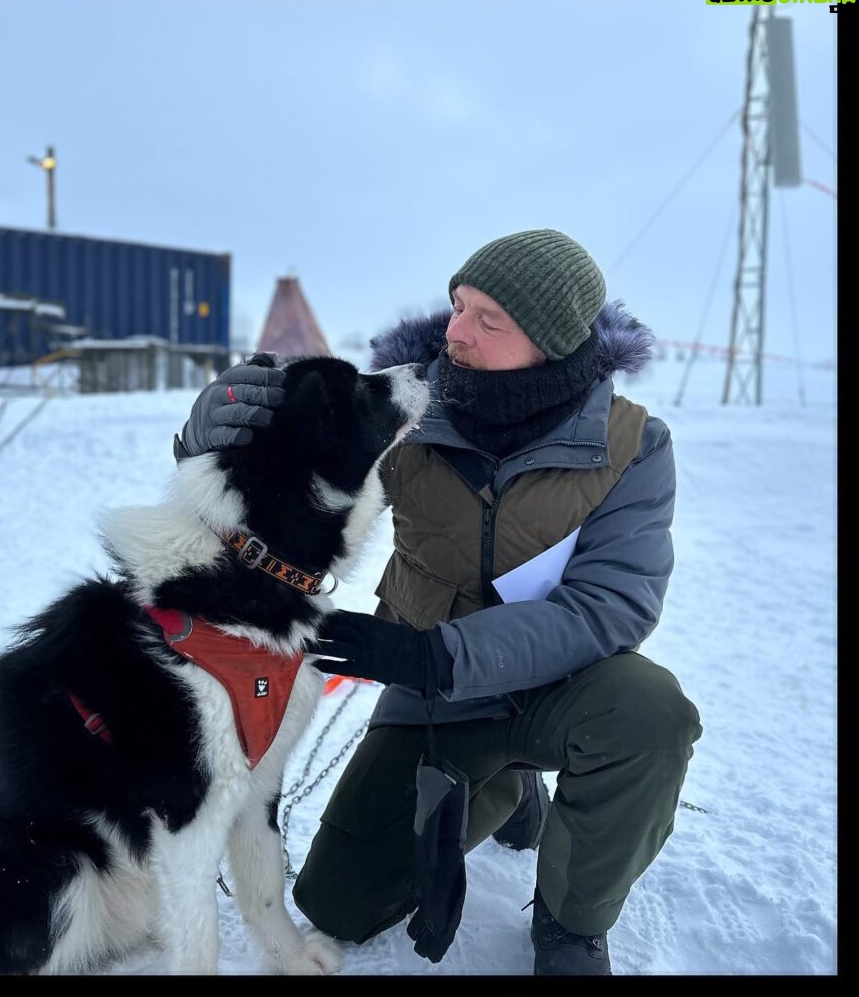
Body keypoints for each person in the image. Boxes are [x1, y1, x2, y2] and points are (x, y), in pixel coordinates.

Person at [174, 229, 703, 975]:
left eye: (491, 321)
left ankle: (572, 923)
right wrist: (208, 440)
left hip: (561, 686)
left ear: (551, 343)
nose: (457, 332)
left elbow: (609, 607)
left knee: (652, 713)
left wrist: (436, 653)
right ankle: (508, 791)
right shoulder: (411, 406)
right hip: (435, 696)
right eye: (460, 306)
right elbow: (292, 480)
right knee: (337, 904)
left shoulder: (631, 445)